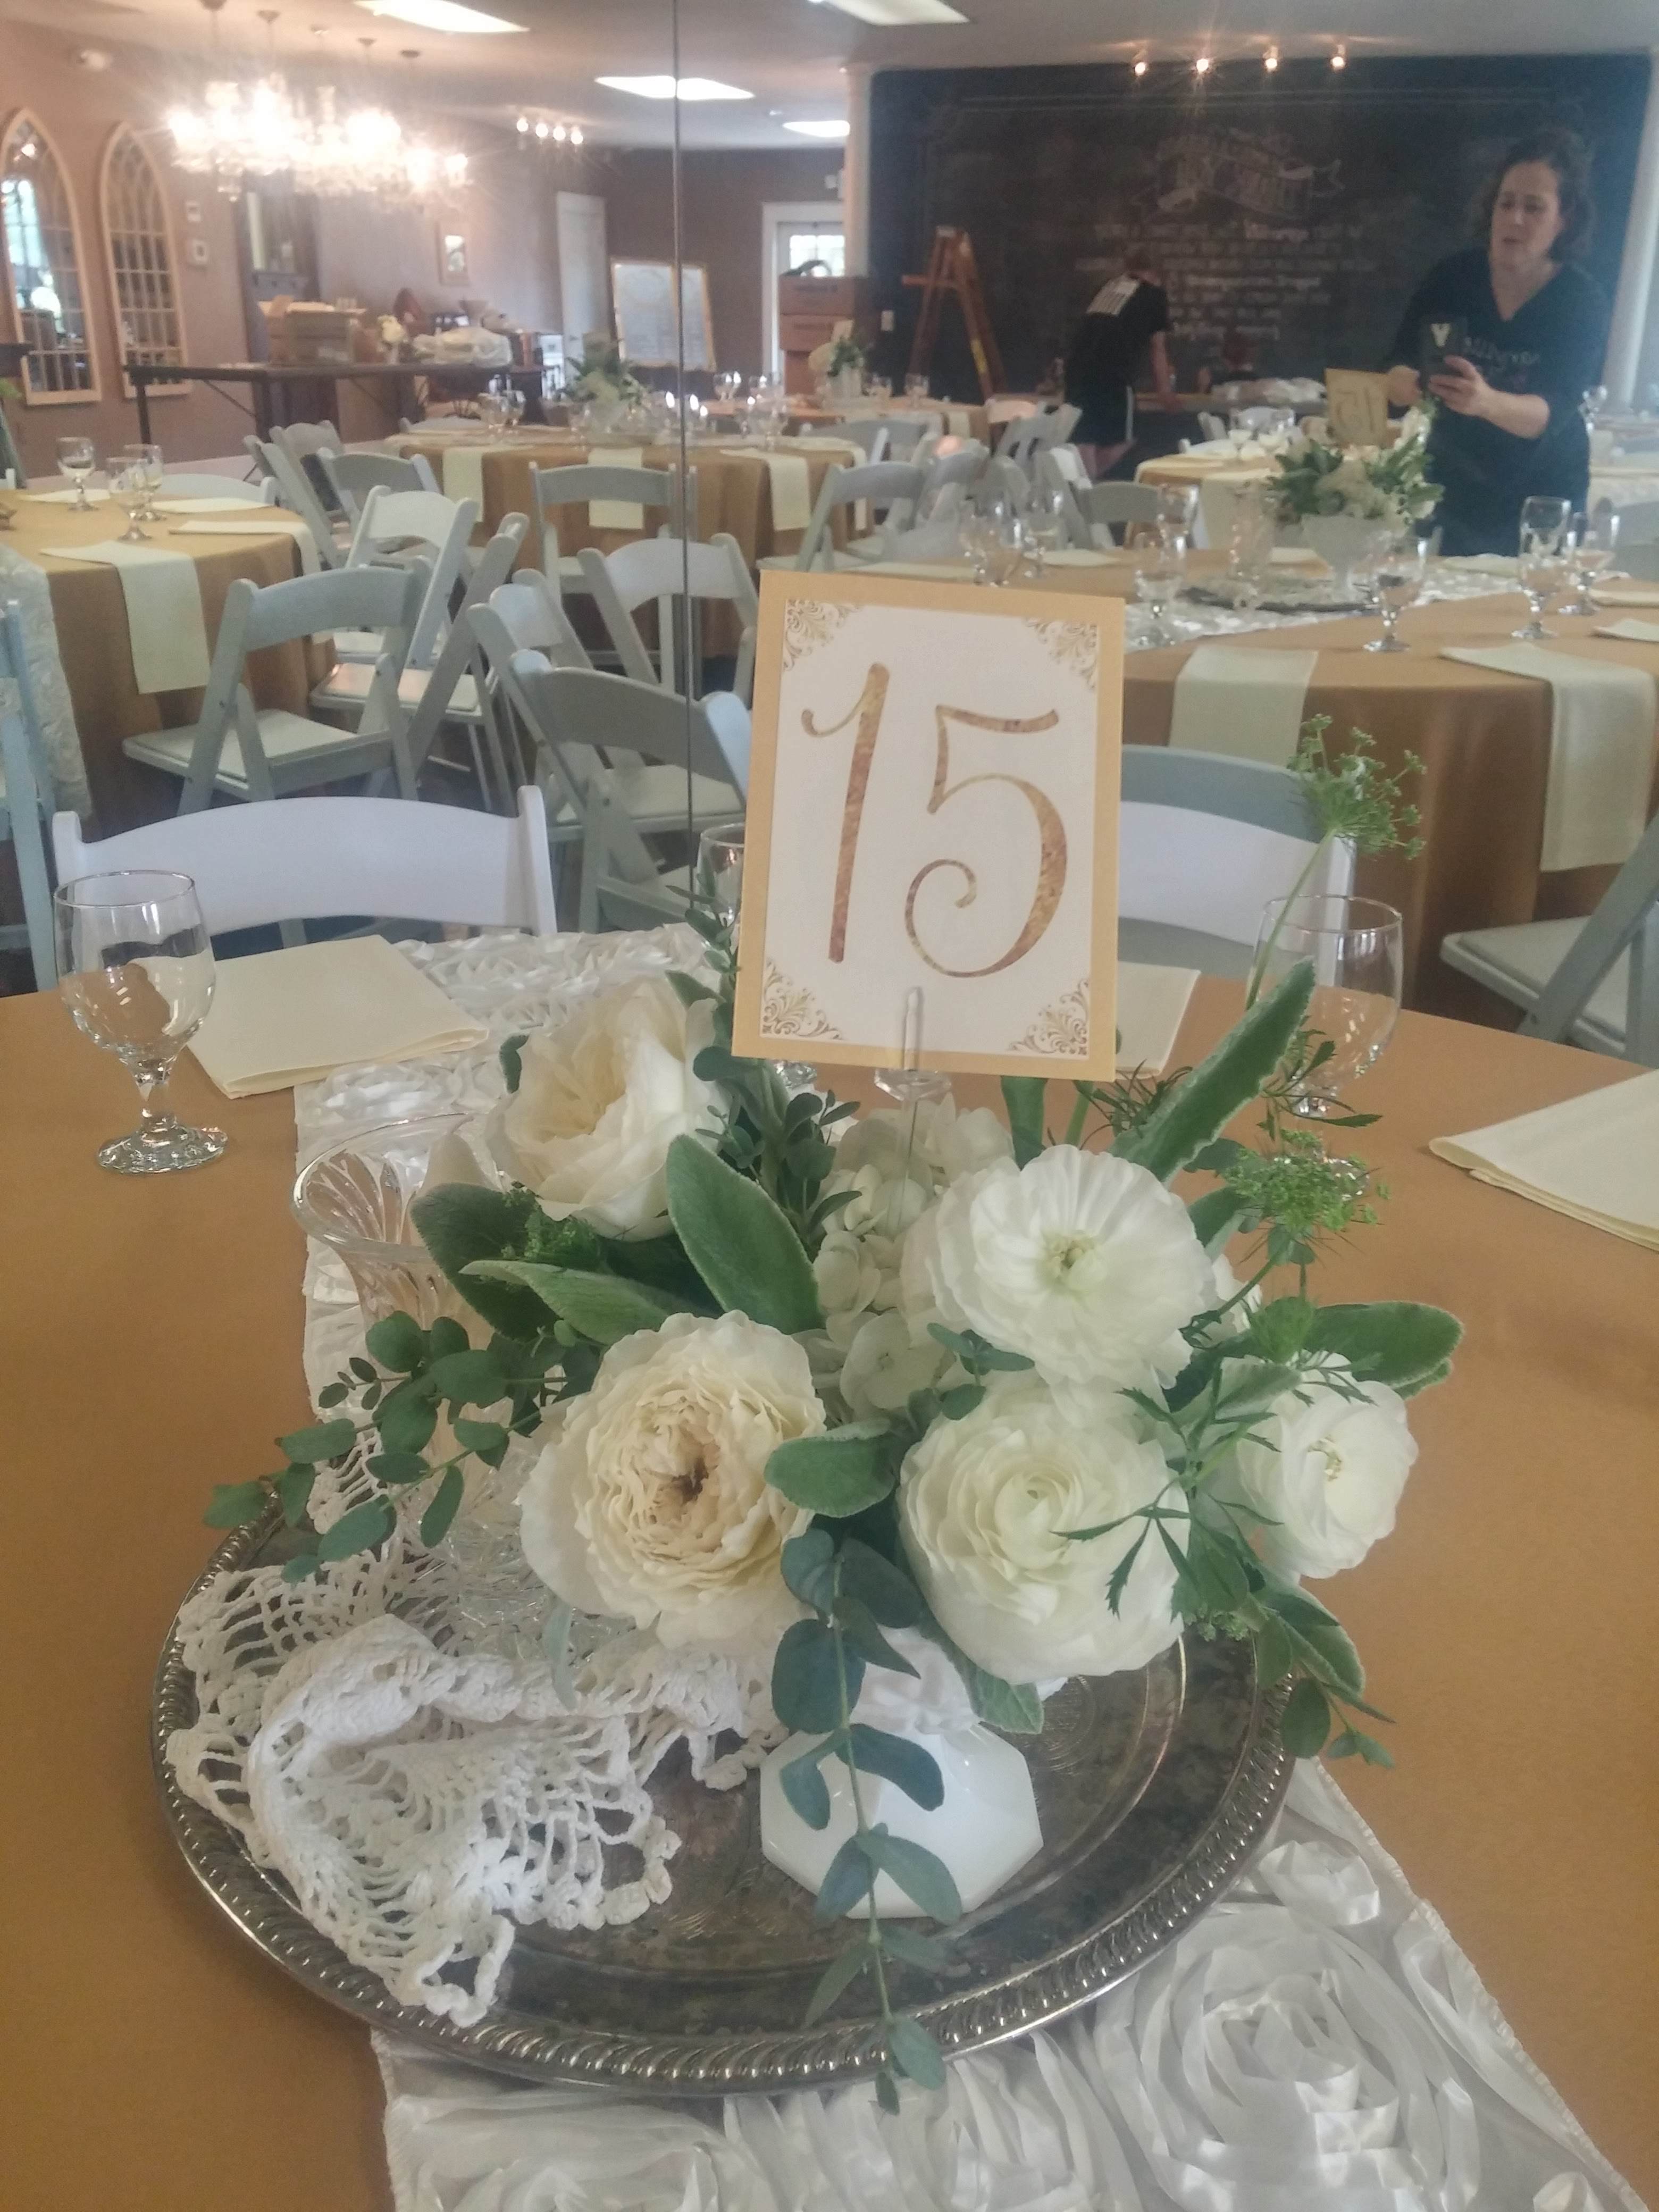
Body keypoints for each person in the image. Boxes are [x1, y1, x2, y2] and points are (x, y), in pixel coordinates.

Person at [1385, 128, 1610, 556]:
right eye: (1506, 203)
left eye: (1534, 207)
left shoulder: (1581, 300)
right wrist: (1412, 387)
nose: (1515, 219)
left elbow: (1552, 412)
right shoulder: (1453, 278)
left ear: (1564, 220)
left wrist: (1485, 402)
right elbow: (1393, 365)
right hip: (1449, 484)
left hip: (1543, 492)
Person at [1063, 247, 1174, 477]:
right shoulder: (1153, 295)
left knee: (1086, 438)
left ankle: (1083, 489)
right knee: (1127, 436)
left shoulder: (1108, 288)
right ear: (1156, 274)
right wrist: (1165, 392)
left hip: (1075, 371)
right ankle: (1089, 485)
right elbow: (1158, 349)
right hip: (1113, 374)